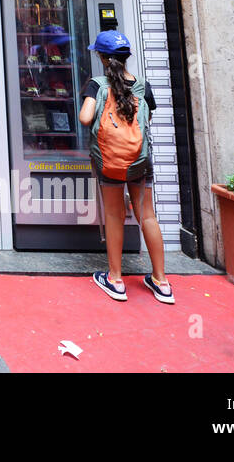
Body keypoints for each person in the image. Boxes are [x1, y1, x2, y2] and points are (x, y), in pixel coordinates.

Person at [77, 30, 172, 304]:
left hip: (110, 161)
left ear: (101, 57)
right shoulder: (142, 85)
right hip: (139, 161)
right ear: (126, 57)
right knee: (148, 216)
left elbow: (85, 118)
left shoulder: (97, 84)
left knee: (115, 215)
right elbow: (147, 118)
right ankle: (161, 282)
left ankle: (116, 280)